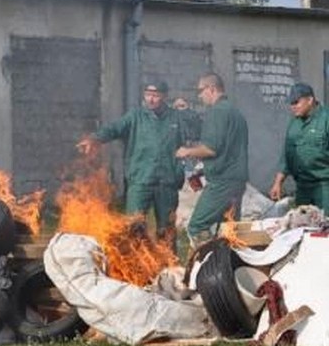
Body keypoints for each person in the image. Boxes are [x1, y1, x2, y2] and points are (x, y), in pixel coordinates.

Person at [76, 81, 186, 249]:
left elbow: (199, 128)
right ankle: (135, 263)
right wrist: (95, 138)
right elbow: (114, 128)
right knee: (134, 226)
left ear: (164, 96)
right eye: (148, 94)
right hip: (141, 180)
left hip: (167, 182)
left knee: (167, 229)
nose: (151, 99)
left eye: (156, 96)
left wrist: (187, 110)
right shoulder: (135, 116)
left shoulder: (175, 117)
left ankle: (169, 267)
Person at [175, 73, 249, 244]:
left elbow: (211, 149)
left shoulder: (217, 112)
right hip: (236, 180)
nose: (199, 96)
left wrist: (186, 151)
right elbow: (227, 148)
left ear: (212, 89)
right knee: (229, 230)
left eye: (201, 91)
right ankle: (227, 266)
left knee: (197, 226)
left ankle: (208, 264)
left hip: (222, 182)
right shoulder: (234, 112)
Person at [268, 82, 329, 216]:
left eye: (296, 102)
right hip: (303, 185)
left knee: (325, 225)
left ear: (310, 100)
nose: (293, 107)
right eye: (291, 103)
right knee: (302, 225)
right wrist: (278, 183)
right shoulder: (294, 123)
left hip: (326, 184)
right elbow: (287, 154)